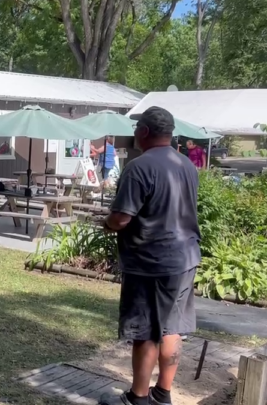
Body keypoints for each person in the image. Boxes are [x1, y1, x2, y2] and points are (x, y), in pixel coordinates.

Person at [99, 106, 201, 405]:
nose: (134, 133)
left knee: (145, 331)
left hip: (151, 262)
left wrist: (106, 223)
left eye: (136, 128)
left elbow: (121, 218)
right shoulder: (186, 164)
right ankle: (162, 394)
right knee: (172, 329)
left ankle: (138, 398)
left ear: (144, 131)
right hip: (185, 259)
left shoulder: (139, 166)